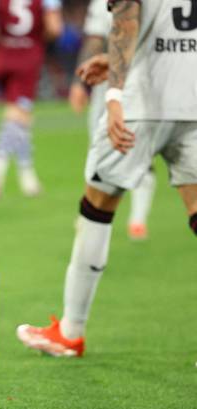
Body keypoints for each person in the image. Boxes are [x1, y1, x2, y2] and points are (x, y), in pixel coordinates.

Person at [17, 0, 197, 357]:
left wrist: (114, 95)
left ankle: (70, 331)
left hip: (140, 104)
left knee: (96, 206)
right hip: (191, 101)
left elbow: (126, 23)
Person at [68, 0, 156, 241]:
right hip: (109, 83)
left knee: (139, 148)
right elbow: (95, 39)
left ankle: (137, 219)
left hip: (143, 83)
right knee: (99, 150)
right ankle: (91, 217)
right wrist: (79, 83)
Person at [0, 0, 63, 198]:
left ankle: (26, 174)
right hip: (27, 58)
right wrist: (38, 39)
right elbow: (55, 28)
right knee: (18, 115)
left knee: (19, 116)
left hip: (3, 56)